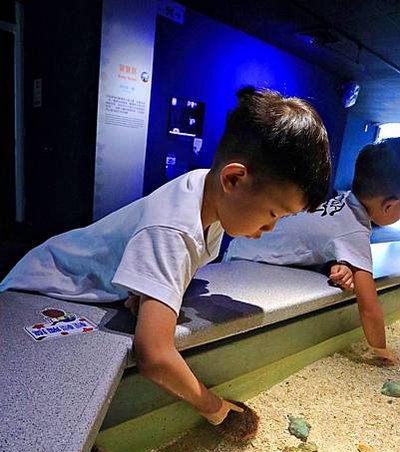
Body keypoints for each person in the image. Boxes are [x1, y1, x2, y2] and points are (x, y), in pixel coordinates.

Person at [0, 86, 331, 423]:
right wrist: (213, 407)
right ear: (233, 179)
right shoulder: (174, 229)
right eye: (274, 213)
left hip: (67, 278)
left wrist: (144, 293)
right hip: (39, 289)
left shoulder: (210, 194)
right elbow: (154, 355)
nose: (271, 228)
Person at [224, 137, 400, 364]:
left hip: (246, 244)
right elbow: (369, 306)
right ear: (389, 205)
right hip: (247, 261)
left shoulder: (345, 202)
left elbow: (320, 239)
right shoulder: (355, 232)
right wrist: (380, 350)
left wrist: (339, 264)